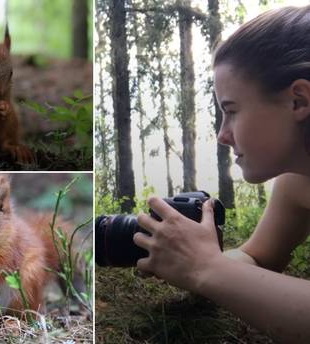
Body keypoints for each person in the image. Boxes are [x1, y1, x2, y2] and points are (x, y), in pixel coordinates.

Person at [132, 5, 310, 343]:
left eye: (231, 110)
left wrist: (207, 270)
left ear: (298, 101)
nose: (222, 134)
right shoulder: (297, 180)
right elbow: (258, 257)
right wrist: (189, 257)